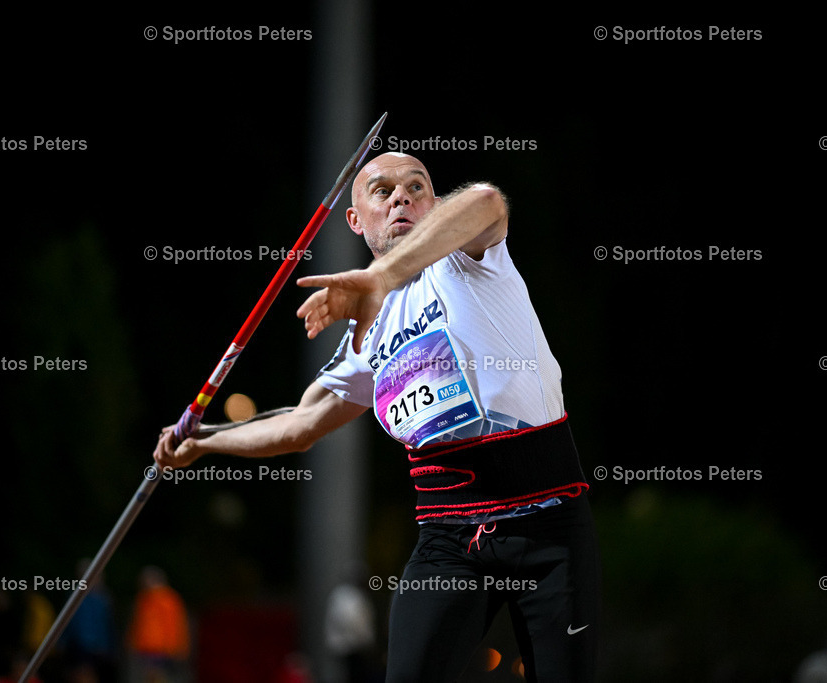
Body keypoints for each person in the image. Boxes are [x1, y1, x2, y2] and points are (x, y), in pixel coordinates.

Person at [154, 152, 600, 682]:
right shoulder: (365, 338)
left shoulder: (469, 258)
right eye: (382, 191)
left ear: (434, 204)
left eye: (416, 187)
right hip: (447, 537)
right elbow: (298, 425)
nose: (401, 197)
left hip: (546, 519)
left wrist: (380, 276)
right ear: (355, 219)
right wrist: (207, 439)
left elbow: (487, 201)